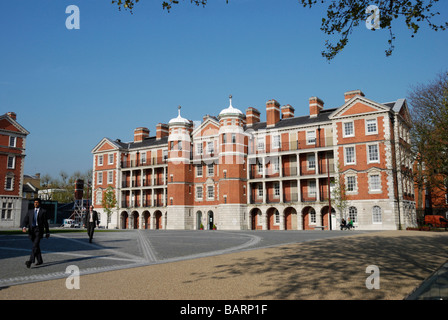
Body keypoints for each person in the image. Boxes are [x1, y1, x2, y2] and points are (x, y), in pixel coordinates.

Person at [21, 198, 50, 268]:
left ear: (39, 203)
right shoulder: (30, 211)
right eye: (34, 202)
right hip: (31, 231)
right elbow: (25, 220)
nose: (35, 203)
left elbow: (46, 223)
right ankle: (40, 260)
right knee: (36, 246)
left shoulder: (43, 211)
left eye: (37, 202)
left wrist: (47, 232)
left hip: (39, 230)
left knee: (35, 245)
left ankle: (30, 261)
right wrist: (24, 227)